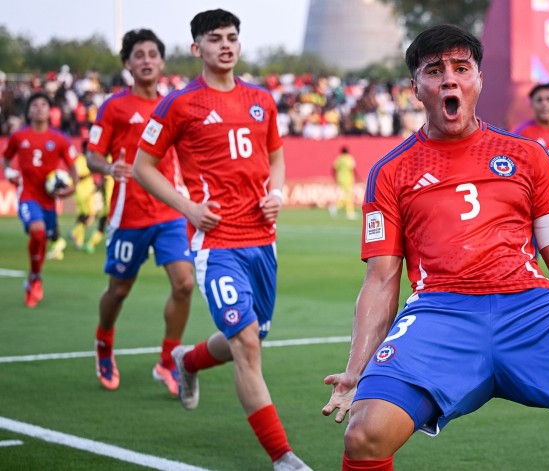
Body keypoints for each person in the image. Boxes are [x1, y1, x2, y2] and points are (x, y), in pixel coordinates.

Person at [322, 25, 549, 471]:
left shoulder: (527, 154)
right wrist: (356, 367)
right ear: (415, 88)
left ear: (478, 80)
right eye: (434, 70)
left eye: (461, 68)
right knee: (365, 436)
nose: (449, 79)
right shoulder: (391, 171)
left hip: (534, 310)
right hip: (440, 315)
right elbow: (382, 277)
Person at [132, 10, 310, 471]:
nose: (226, 45)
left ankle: (186, 362)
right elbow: (142, 166)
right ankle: (282, 457)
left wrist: (276, 192)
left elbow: (277, 159)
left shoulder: (262, 100)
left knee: (247, 337)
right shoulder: (179, 103)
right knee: (247, 343)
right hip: (216, 243)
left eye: (232, 37)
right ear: (197, 49)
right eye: (215, 39)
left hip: (263, 241)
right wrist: (188, 209)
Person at [85, 28, 195, 396]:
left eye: (152, 54)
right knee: (119, 290)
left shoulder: (175, 105)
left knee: (184, 283)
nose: (146, 60)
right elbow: (92, 155)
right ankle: (104, 342)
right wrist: (108, 169)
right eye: (139, 55)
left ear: (162, 62)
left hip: (170, 213)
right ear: (128, 64)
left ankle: (167, 361)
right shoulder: (114, 107)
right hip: (127, 214)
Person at [2, 92, 78, 308]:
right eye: (34, 105)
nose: (39, 108)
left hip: (49, 200)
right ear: (28, 111)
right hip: (27, 195)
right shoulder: (19, 137)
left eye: (44, 104)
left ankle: (35, 277)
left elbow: (73, 170)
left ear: (50, 110)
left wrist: (70, 190)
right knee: (38, 231)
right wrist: (10, 174)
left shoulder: (59, 139)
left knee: (43, 238)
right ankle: (35, 280)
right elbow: (6, 160)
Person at [512, 82, 549, 195]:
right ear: (531, 103)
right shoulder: (522, 132)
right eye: (539, 100)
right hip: (531, 194)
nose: (544, 104)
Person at [68, 141, 98, 252]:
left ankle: (78, 241)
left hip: (88, 191)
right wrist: (90, 172)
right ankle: (74, 232)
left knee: (83, 215)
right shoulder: (80, 160)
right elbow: (78, 175)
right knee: (88, 214)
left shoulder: (87, 159)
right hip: (82, 192)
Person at [331, 146, 358, 220]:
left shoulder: (339, 159)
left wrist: (335, 177)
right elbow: (353, 168)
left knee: (346, 196)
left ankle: (336, 208)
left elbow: (334, 168)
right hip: (348, 179)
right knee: (348, 196)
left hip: (340, 179)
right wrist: (357, 177)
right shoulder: (349, 158)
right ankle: (348, 212)